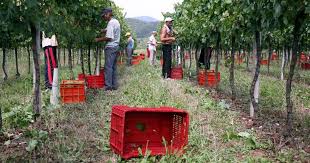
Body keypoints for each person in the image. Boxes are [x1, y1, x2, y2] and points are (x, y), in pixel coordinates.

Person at [95, 8, 121, 91]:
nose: (104, 18)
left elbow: (109, 37)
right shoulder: (116, 21)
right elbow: (112, 30)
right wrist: (104, 30)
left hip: (110, 47)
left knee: (108, 67)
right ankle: (114, 85)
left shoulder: (110, 23)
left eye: (104, 15)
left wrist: (98, 39)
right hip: (116, 46)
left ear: (108, 14)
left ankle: (108, 86)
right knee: (113, 67)